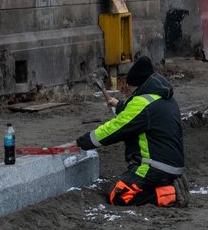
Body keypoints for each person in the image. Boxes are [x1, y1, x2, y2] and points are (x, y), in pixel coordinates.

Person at [74, 56, 188, 207]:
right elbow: (138, 115)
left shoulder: (141, 104)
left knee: (119, 195)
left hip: (155, 167)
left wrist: (81, 143)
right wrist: (119, 105)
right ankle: (170, 183)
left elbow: (114, 130)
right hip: (171, 166)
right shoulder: (162, 97)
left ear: (137, 85)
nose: (128, 91)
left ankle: (171, 193)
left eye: (130, 88)